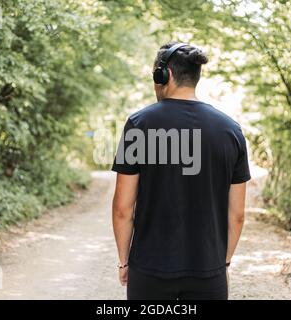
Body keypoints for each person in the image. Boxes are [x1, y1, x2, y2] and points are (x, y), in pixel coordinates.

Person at [111, 41, 251, 300]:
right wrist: (224, 263)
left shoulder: (139, 125)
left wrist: (124, 262)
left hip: (149, 270)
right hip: (209, 271)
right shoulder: (231, 131)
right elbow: (237, 215)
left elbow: (122, 209)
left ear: (165, 75)